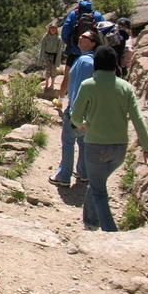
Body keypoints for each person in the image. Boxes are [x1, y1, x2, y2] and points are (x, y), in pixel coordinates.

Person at [71, 46, 148, 231]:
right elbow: (138, 119)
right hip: (119, 149)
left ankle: (110, 231)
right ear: (115, 64)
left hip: (95, 145)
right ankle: (90, 222)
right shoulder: (125, 87)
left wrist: (83, 124)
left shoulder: (88, 85)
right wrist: (147, 148)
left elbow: (75, 117)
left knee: (98, 190)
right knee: (96, 184)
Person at [49, 30, 100, 187]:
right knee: (84, 141)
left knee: (68, 142)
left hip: (77, 110)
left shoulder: (84, 61)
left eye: (85, 37)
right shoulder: (94, 60)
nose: (80, 38)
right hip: (90, 110)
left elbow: (79, 88)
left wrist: (73, 111)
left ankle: (63, 175)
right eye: (80, 36)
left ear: (93, 43)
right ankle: (83, 173)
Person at [59, 0, 104, 96]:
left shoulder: (73, 14)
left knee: (67, 78)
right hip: (92, 52)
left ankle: (60, 101)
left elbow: (65, 31)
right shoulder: (97, 15)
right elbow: (103, 33)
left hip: (74, 51)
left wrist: (71, 44)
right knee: (90, 78)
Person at [38, 23, 64, 91]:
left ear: (56, 30)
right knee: (47, 70)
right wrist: (41, 59)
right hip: (47, 55)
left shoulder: (58, 38)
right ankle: (46, 84)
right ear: (49, 29)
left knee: (53, 70)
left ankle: (52, 85)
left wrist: (58, 61)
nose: (53, 30)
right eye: (51, 28)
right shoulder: (45, 37)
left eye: (54, 28)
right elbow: (42, 48)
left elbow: (59, 50)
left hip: (54, 56)